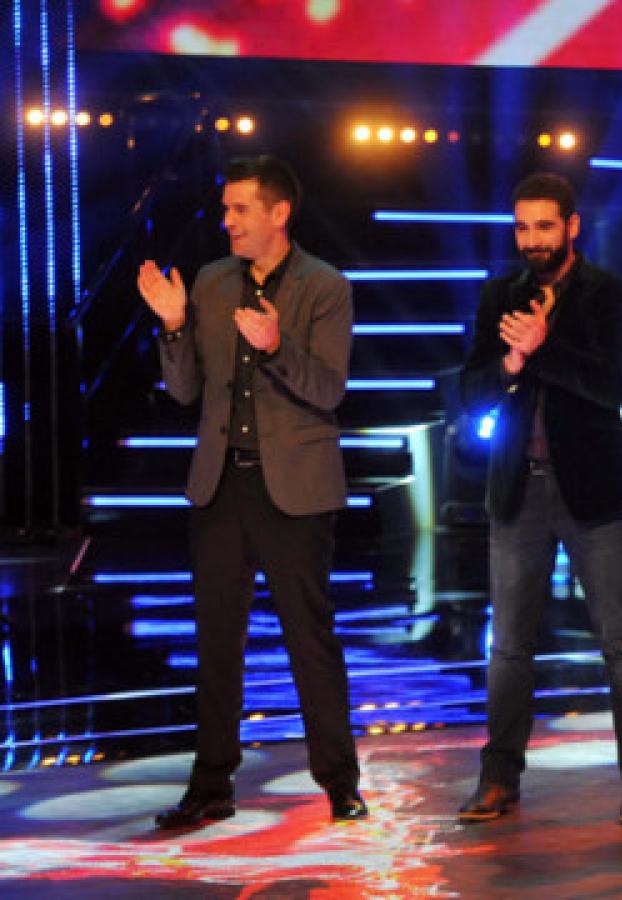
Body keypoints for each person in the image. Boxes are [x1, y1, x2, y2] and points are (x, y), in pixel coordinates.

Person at [137, 154, 366, 827]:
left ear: (278, 213)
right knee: (216, 641)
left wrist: (274, 347)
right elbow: (185, 390)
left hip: (294, 489)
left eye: (240, 209)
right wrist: (174, 325)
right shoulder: (212, 281)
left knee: (309, 639)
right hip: (220, 486)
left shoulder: (325, 287)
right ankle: (211, 786)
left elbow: (328, 388)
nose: (227, 221)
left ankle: (341, 783)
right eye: (226, 209)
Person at [455, 172, 622, 825]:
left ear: (571, 226)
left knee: (621, 643)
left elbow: (611, 385)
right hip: (519, 487)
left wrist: (541, 350)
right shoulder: (500, 297)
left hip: (593, 490)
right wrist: (510, 366)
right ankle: (498, 780)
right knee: (508, 646)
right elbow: (470, 391)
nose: (532, 239)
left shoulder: (610, 296)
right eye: (522, 227)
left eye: (544, 226)